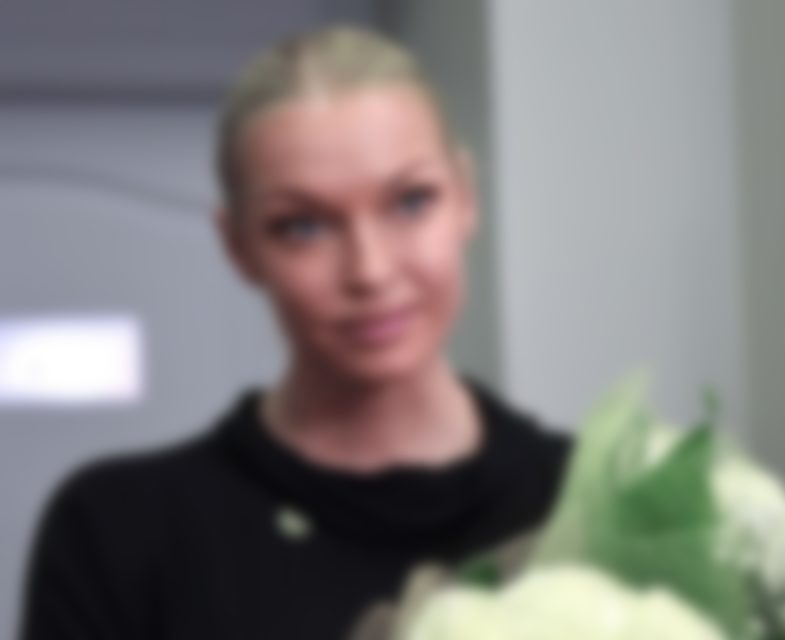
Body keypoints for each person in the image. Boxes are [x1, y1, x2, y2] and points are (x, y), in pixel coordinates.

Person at [18, 26, 571, 640]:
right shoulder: (120, 532)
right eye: (303, 226)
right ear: (239, 246)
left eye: (411, 202)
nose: (370, 270)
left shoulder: (593, 504)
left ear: (466, 198)